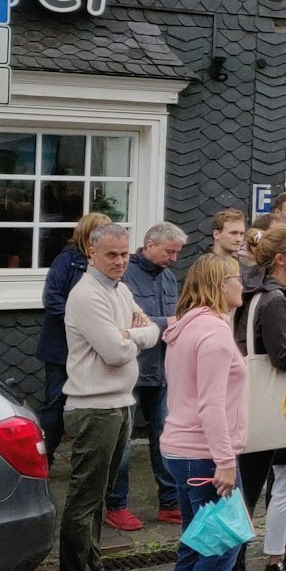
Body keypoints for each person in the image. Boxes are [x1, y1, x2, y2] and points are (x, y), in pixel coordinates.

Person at [157, 253, 248, 571]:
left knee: (195, 551)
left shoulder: (188, 326)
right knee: (217, 551)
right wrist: (226, 460)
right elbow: (211, 403)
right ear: (219, 284)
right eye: (236, 279)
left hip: (186, 451)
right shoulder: (211, 333)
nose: (242, 286)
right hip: (205, 456)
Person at [59, 223, 159, 571]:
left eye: (124, 254)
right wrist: (133, 337)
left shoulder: (121, 289)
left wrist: (128, 335)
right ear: (91, 254)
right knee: (84, 500)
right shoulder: (85, 296)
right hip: (93, 408)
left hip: (119, 403)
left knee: (99, 496)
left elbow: (150, 330)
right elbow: (117, 352)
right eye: (111, 255)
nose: (120, 262)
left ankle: (94, 567)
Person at [233, 225, 286, 571]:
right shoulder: (275, 298)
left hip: (246, 403)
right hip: (261, 410)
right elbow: (284, 357)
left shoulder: (252, 290)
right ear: (280, 259)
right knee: (246, 496)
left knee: (242, 494)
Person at [108, 222, 186, 530]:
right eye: (169, 252)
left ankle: (169, 503)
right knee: (122, 440)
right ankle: (115, 505)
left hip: (162, 369)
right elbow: (124, 321)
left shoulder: (168, 277)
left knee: (166, 437)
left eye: (177, 253)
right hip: (130, 368)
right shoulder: (124, 276)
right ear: (149, 245)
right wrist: (169, 322)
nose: (174, 259)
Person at [38, 212, 111, 461]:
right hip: (62, 349)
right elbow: (52, 298)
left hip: (94, 349)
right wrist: (79, 324)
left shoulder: (105, 266)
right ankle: (43, 461)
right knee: (56, 404)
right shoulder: (66, 261)